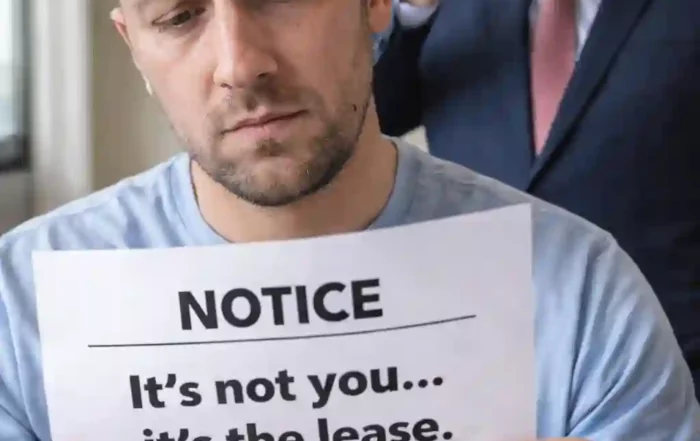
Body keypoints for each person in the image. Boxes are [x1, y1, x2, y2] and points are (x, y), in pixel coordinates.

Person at [0, 0, 698, 440]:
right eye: (180, 17)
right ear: (133, 45)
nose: (240, 64)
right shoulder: (19, 309)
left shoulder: (583, 297)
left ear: (376, 3)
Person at [372, 0, 700, 395]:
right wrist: (413, 10)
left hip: (665, 363)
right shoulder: (443, 11)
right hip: (479, 366)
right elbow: (367, 120)